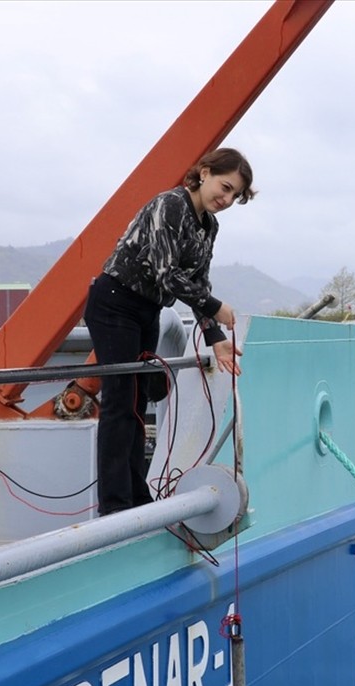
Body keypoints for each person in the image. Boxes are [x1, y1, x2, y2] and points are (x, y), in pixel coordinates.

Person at [84, 147, 255, 516]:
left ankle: (137, 496)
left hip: (147, 310)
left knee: (137, 401)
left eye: (234, 195)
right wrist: (216, 307)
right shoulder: (170, 205)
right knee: (119, 401)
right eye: (224, 187)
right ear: (205, 172)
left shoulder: (208, 226)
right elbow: (167, 273)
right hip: (115, 302)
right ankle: (114, 505)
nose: (225, 199)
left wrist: (216, 339)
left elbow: (198, 281)